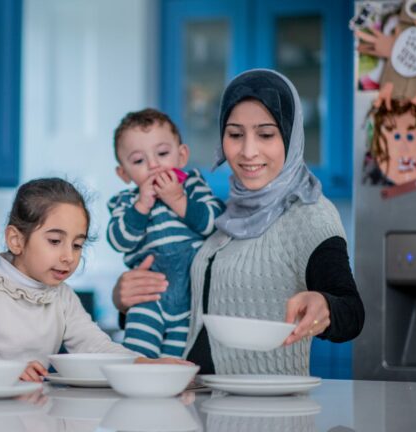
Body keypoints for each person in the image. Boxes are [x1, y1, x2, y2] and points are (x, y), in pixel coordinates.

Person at [113, 69, 365, 375]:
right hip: (198, 402)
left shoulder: (310, 214)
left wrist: (324, 306)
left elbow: (351, 312)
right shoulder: (226, 212)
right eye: (235, 134)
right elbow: (194, 305)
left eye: (266, 134)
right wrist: (125, 301)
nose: (247, 151)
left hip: (264, 414)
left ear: (290, 134)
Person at [0, 178, 189, 381]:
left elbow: (95, 346)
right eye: (55, 241)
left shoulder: (62, 296)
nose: (68, 256)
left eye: (77, 245)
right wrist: (4, 374)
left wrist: (146, 364)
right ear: (16, 240)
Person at [108, 108, 225, 359]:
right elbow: (119, 240)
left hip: (191, 300)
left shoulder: (192, 185)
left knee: (175, 365)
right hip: (148, 296)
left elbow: (216, 223)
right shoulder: (125, 202)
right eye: (139, 161)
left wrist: (178, 200)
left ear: (181, 156)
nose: (153, 165)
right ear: (124, 174)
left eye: (162, 153)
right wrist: (141, 206)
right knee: (137, 358)